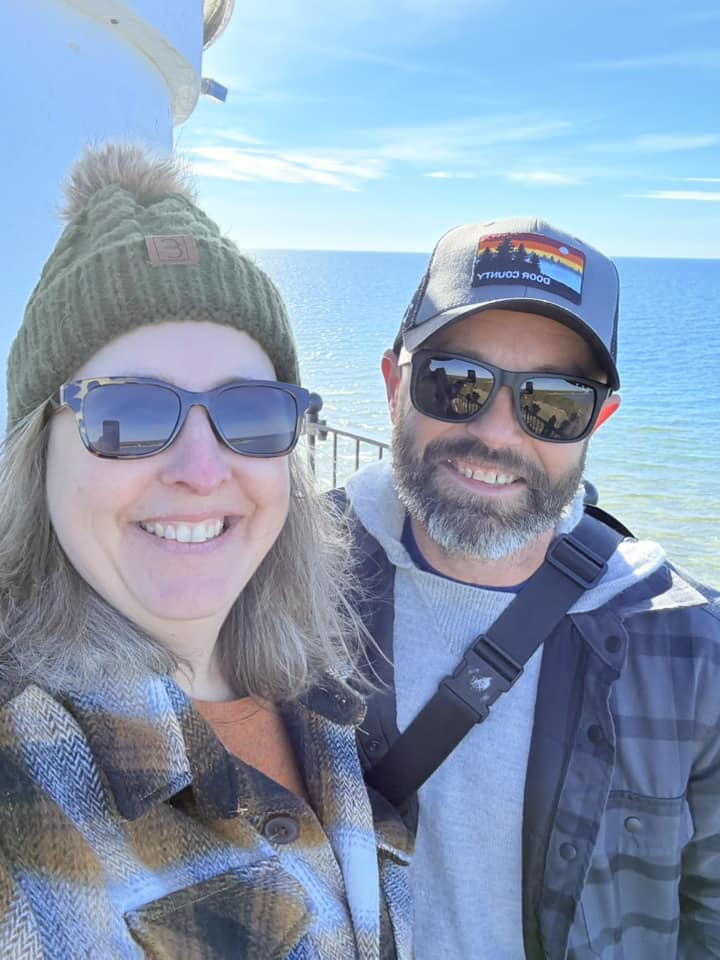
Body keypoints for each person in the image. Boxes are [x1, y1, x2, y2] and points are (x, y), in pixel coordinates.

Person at [0, 143, 412, 959]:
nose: (200, 470)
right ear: (37, 456)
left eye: (250, 413)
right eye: (127, 416)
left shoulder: (318, 701)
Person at [340, 217, 720, 959]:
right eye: (456, 384)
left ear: (596, 422)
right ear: (394, 385)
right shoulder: (285, 589)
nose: (498, 433)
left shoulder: (695, 653)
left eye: (553, 404)